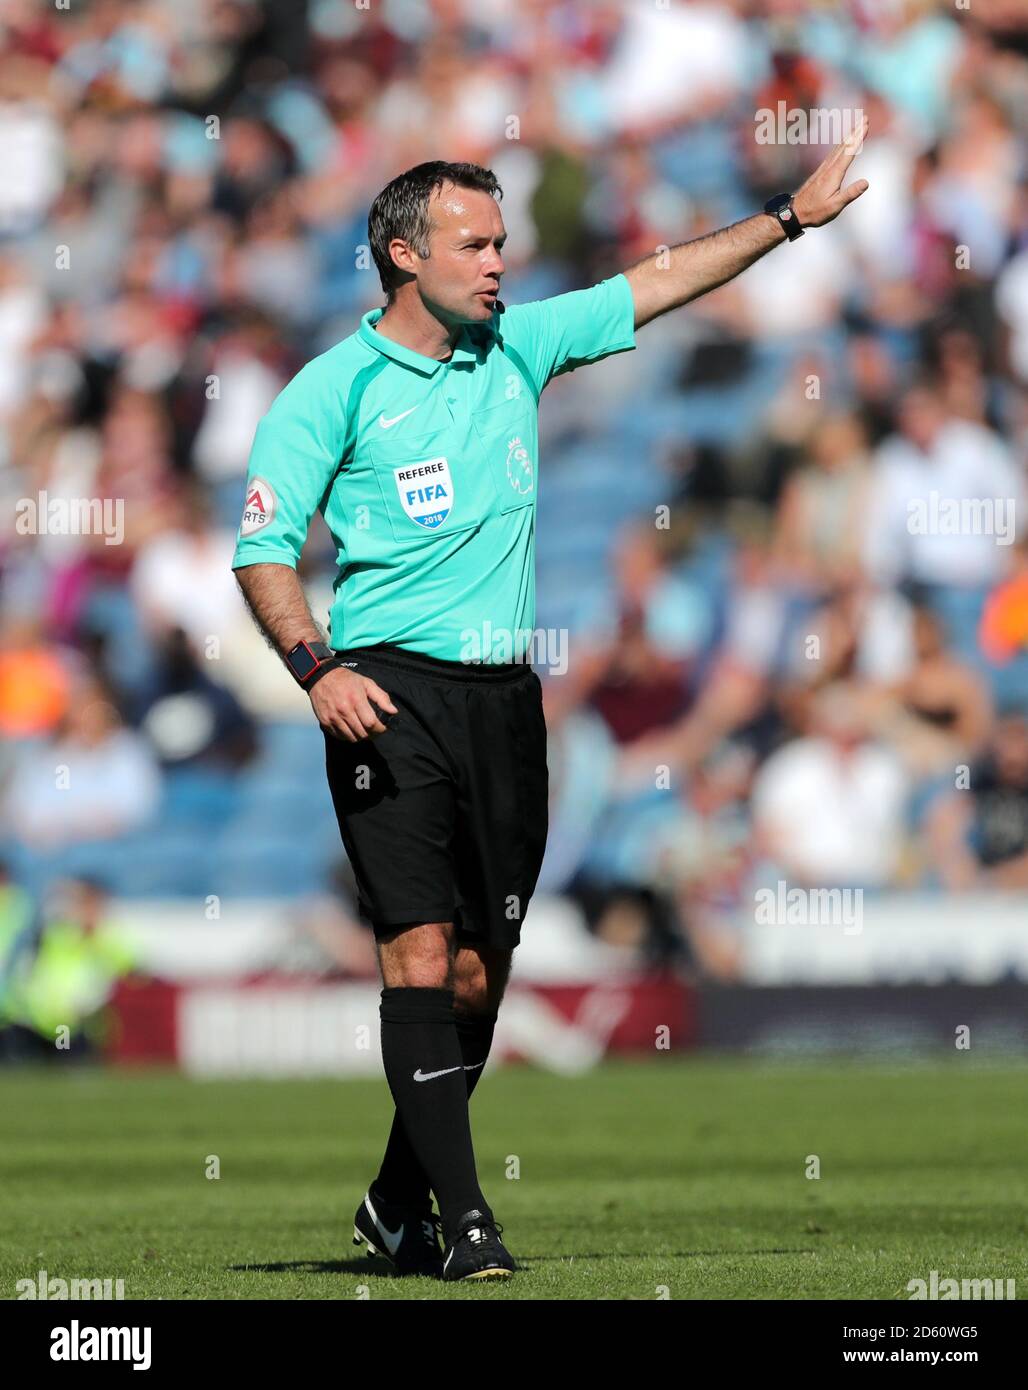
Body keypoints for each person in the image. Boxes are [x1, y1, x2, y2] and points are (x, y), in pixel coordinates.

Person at [231, 135, 869, 1281]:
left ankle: (391, 1197)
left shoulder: (516, 347)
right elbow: (262, 553)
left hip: (506, 704)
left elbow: (660, 279)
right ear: (400, 253)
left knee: (477, 973)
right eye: (473, 244)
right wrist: (316, 668)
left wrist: (786, 218)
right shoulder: (328, 391)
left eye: (501, 242)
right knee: (417, 954)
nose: (496, 264)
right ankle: (465, 1222)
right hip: (385, 692)